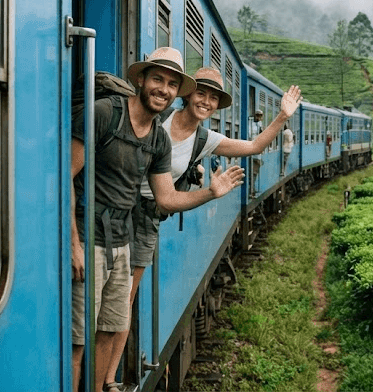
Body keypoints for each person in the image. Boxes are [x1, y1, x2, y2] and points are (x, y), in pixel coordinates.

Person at [103, 68, 300, 387]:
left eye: (213, 98)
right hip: (112, 202)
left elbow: (252, 147)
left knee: (123, 299)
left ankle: (108, 380)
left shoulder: (206, 140)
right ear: (187, 94)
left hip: (146, 214)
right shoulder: (160, 115)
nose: (206, 101)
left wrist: (281, 116)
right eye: (201, 93)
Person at [70, 48, 244, 392]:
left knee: (108, 330)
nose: (163, 89)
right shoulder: (104, 113)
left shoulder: (158, 139)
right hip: (90, 239)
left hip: (121, 242)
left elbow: (167, 198)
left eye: (171, 84)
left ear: (177, 92)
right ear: (141, 79)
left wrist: (210, 192)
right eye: (158, 79)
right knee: (79, 340)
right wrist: (74, 244)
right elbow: (66, 176)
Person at [249, 109, 265, 198]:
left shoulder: (259, 125)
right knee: (253, 172)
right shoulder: (250, 124)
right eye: (257, 115)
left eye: (260, 116)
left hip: (257, 153)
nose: (259, 117)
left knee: (255, 172)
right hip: (252, 151)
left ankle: (252, 188)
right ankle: (251, 189)